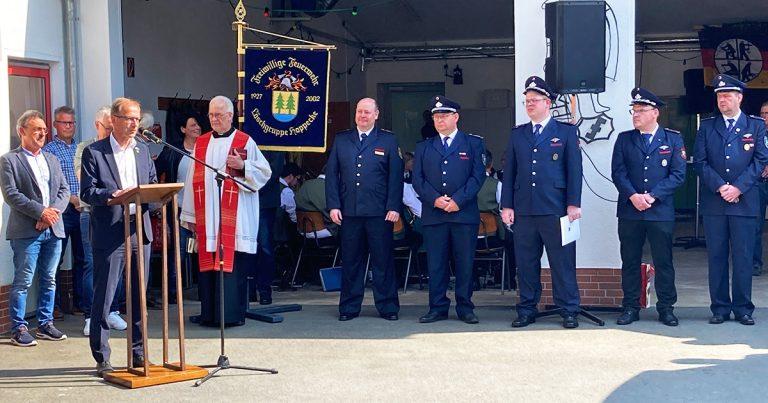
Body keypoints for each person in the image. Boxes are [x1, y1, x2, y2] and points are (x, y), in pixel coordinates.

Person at [81, 97, 158, 377]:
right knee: (104, 296)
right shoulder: (95, 153)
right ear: (113, 120)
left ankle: (138, 353)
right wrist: (112, 195)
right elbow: (87, 192)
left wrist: (157, 196)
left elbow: (151, 186)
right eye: (128, 118)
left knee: (139, 296)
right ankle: (102, 356)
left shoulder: (142, 150)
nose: (134, 124)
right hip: (111, 232)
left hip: (140, 231)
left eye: (137, 119)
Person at [180, 95, 272, 327]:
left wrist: (243, 167)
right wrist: (190, 215)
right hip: (207, 217)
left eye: (219, 115)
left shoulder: (244, 141)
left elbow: (264, 173)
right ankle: (209, 313)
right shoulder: (201, 143)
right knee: (208, 265)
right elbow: (192, 181)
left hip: (234, 218)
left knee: (232, 267)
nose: (214, 119)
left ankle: (231, 315)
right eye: (211, 115)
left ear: (230, 116)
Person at [501, 76, 583, 329]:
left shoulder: (566, 132)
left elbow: (574, 170)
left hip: (555, 208)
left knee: (562, 262)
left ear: (548, 103)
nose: (529, 105)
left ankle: (568, 309)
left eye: (534, 100)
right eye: (527, 101)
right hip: (525, 210)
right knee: (526, 263)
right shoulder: (518, 134)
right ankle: (526, 308)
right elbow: (510, 172)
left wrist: (573, 203)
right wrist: (507, 205)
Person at [693, 74, 768, 326]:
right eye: (719, 95)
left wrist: (738, 187)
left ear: (739, 98)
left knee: (743, 256)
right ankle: (720, 307)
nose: (722, 99)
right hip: (715, 202)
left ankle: (743, 307)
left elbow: (760, 160)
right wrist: (721, 187)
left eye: (727, 95)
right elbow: (700, 163)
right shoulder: (707, 126)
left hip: (744, 201)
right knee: (716, 256)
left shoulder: (755, 125)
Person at [611, 88, 686, 326]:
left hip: (659, 211)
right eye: (634, 111)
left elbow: (678, 174)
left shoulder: (672, 139)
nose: (635, 115)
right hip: (630, 210)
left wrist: (652, 196)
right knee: (630, 260)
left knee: (663, 260)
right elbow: (618, 172)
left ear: (655, 113)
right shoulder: (625, 138)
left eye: (641, 111)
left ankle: (666, 307)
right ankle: (631, 306)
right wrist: (633, 196)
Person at [325, 98, 403, 321]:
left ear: (376, 114)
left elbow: (395, 177)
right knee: (351, 262)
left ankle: (388, 307)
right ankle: (349, 308)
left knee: (383, 262)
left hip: (380, 212)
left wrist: (393, 206)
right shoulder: (342, 140)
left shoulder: (388, 140)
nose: (363, 116)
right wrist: (333, 205)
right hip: (349, 212)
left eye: (368, 112)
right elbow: (332, 175)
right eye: (360, 112)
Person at [413, 96, 486, 324]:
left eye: (444, 116)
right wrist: (435, 199)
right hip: (435, 214)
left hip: (463, 214)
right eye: (436, 116)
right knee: (436, 263)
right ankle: (437, 307)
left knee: (464, 263)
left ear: (456, 117)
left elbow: (477, 177)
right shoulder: (424, 147)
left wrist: (458, 200)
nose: (439, 120)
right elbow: (418, 179)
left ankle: (465, 307)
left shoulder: (473, 143)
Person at [1, 110, 70, 347]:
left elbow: (64, 190)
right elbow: (11, 195)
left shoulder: (52, 158)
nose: (42, 133)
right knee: (24, 280)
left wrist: (51, 214)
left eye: (44, 129)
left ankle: (45, 324)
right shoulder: (9, 160)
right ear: (22, 131)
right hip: (26, 232)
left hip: (53, 230)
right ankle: (18, 327)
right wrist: (41, 212)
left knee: (49, 279)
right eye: (36, 129)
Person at [74, 106, 127, 336]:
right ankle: (90, 314)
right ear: (98, 125)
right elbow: (83, 178)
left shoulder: (125, 148)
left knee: (118, 267)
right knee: (91, 264)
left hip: (121, 214)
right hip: (93, 214)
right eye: (108, 127)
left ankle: (113, 310)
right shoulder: (86, 148)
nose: (112, 130)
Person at [154, 114, 203, 304]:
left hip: (202, 211)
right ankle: (172, 292)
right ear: (183, 129)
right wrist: (160, 199)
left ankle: (203, 290)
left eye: (198, 125)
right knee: (178, 252)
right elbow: (155, 171)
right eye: (192, 125)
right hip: (180, 210)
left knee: (201, 251)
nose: (197, 128)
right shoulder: (173, 151)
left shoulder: (206, 150)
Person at [44, 106, 86, 319]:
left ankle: (80, 302)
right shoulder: (49, 150)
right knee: (56, 257)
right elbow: (51, 182)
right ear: (55, 125)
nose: (68, 126)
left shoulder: (81, 148)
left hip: (84, 209)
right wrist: (71, 198)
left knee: (83, 257)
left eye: (71, 122)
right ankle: (55, 306)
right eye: (64, 122)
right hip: (63, 210)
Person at [250, 151, 285, 305]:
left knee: (265, 247)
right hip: (245, 199)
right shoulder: (245, 136)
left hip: (264, 201)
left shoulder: (274, 137)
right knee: (246, 247)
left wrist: (252, 185)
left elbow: (274, 171)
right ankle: (248, 290)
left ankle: (264, 290)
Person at [752, 100, 768, 276]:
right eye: (762, 114)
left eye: (767, 114)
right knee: (755, 225)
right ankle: (755, 263)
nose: (764, 117)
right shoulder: (754, 133)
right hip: (759, 184)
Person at [295, 171, 337, 238]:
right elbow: (330, 213)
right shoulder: (327, 187)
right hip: (323, 231)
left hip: (302, 230)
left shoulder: (305, 184)